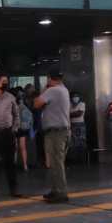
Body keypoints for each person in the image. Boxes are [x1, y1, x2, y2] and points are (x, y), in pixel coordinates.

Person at [33, 71, 70, 203]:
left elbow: (36, 104)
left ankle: (61, 192)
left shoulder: (52, 90)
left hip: (56, 133)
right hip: (60, 131)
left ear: (49, 79)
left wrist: (44, 88)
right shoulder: (63, 89)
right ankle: (55, 190)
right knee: (55, 163)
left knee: (57, 163)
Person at [17, 93, 33, 172]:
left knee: (15, 148)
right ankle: (25, 165)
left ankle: (14, 164)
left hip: (15, 128)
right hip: (23, 129)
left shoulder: (14, 106)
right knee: (23, 148)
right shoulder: (26, 107)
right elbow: (30, 120)